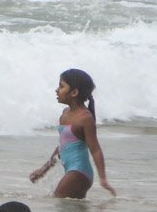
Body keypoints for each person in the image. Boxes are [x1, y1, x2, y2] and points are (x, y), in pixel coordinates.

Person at [29, 68, 116, 199]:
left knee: (58, 202)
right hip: (72, 171)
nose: (57, 90)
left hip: (79, 172)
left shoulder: (85, 118)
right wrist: (44, 170)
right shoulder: (65, 113)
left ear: (74, 92)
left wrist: (103, 179)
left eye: (61, 86)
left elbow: (95, 150)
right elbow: (62, 146)